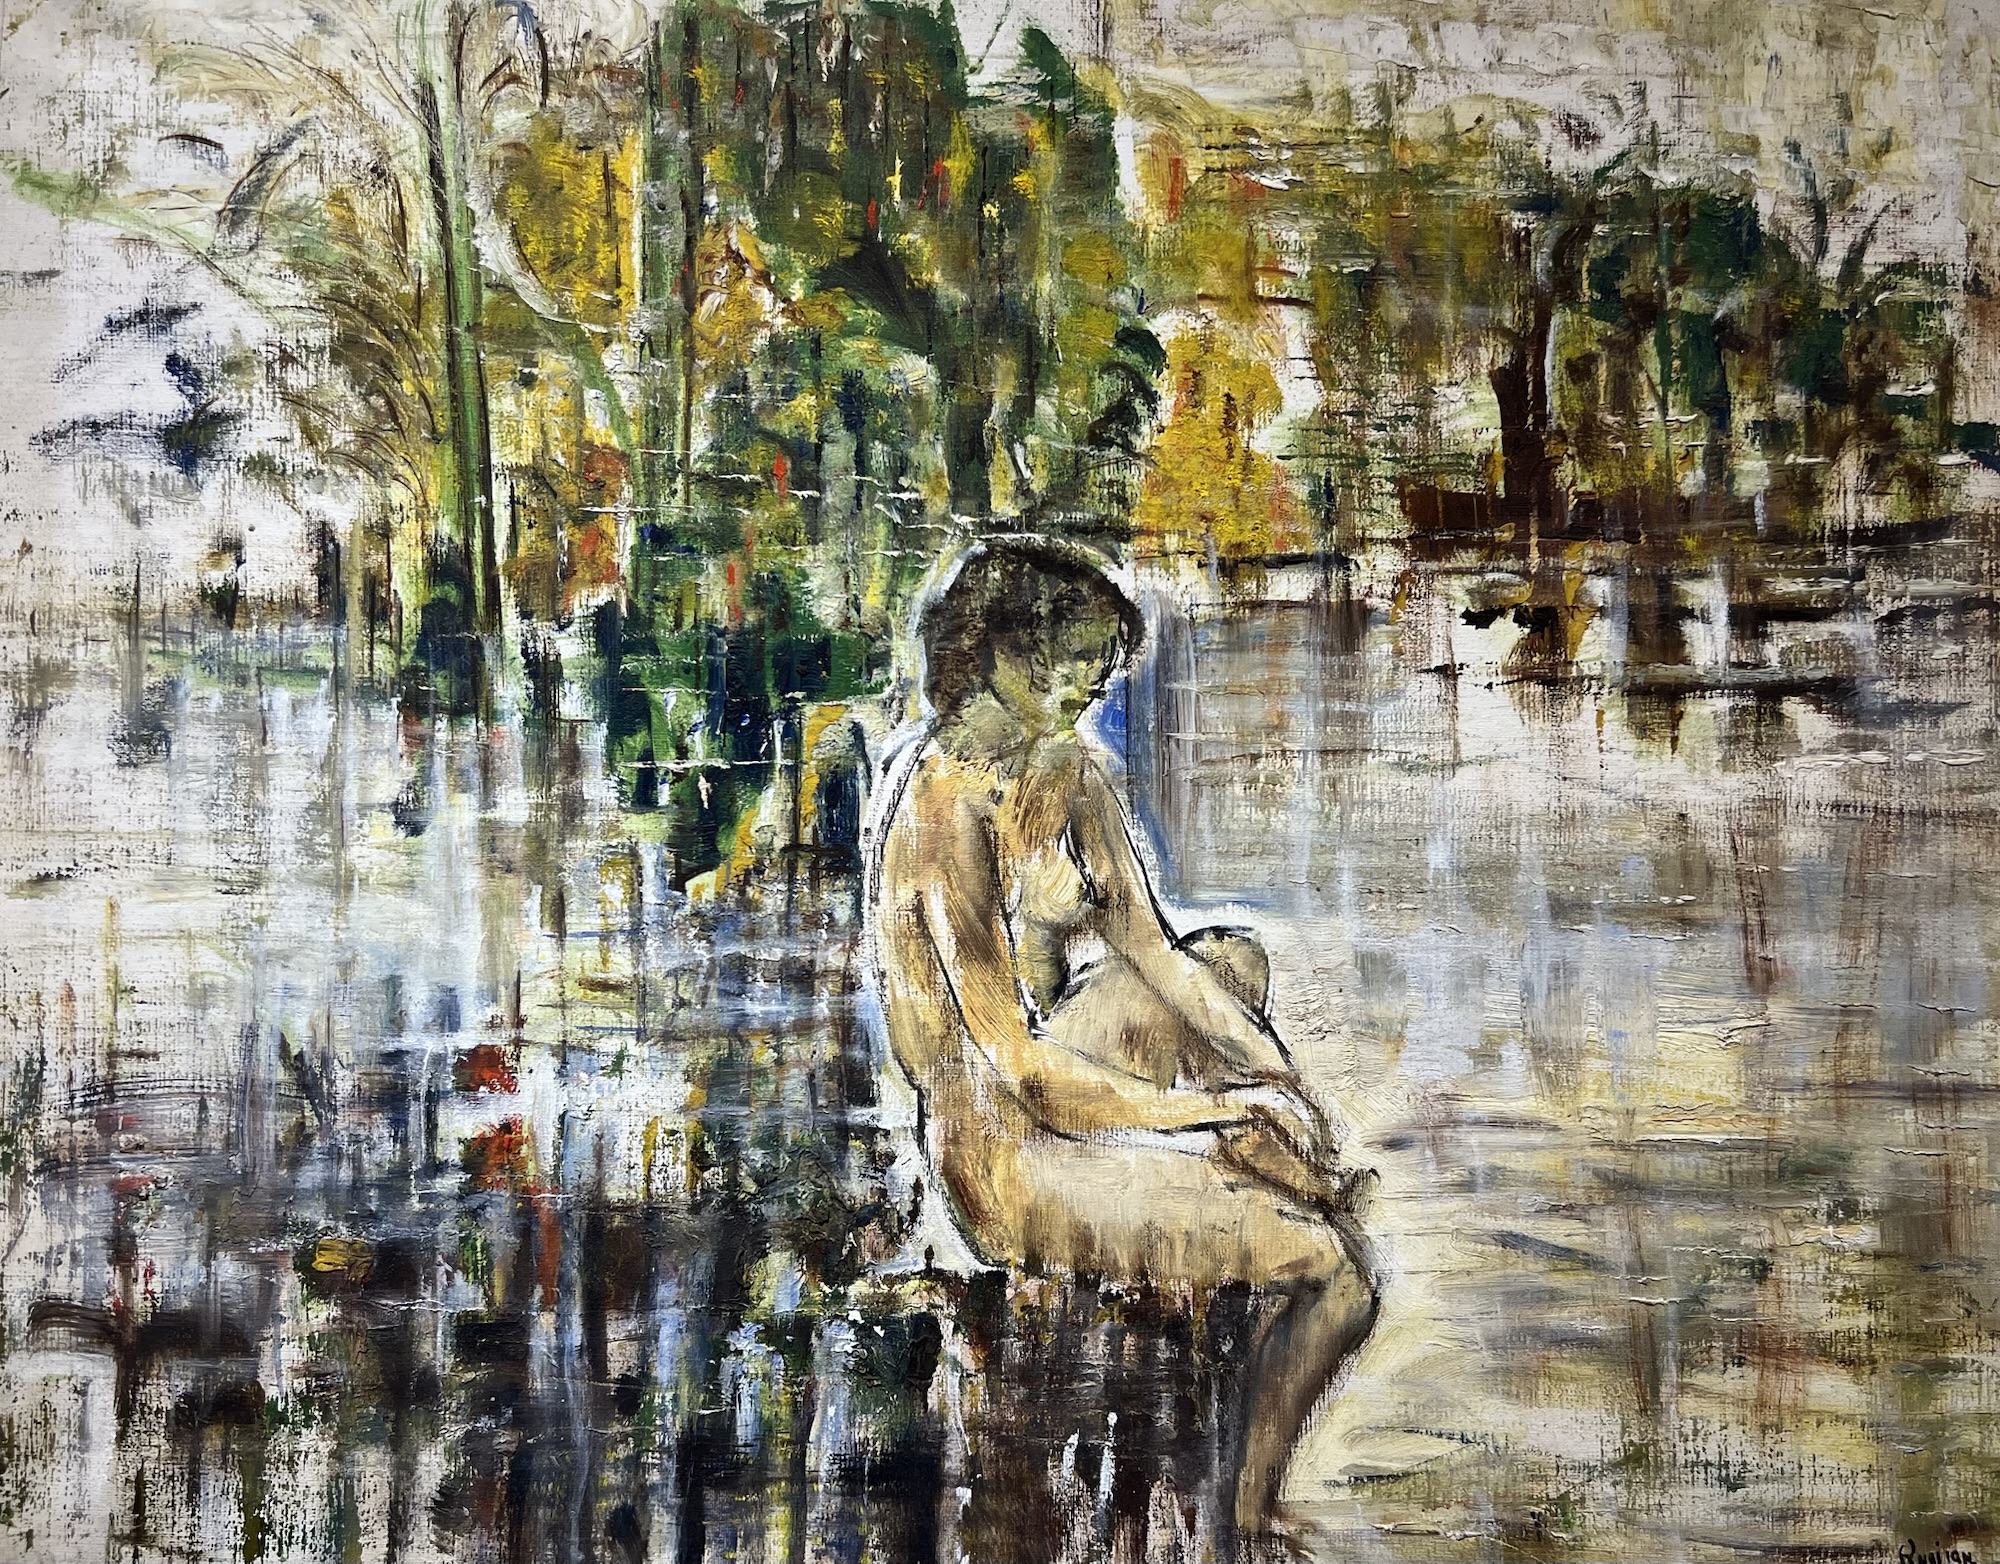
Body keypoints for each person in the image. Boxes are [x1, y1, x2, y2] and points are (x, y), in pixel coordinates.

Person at [867, 536, 1378, 1540]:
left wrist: (1280, 1083)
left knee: (1227, 964)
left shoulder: (1064, 771)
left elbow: (1159, 955)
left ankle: (1267, 1166)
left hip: (1056, 1087)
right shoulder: (940, 816)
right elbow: (1020, 1070)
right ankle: (1247, 1516)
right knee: (1339, 1277)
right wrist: (1208, 1114)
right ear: (1000, 653)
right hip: (999, 1152)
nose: (1092, 684)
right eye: (1073, 660)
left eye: (1100, 664)